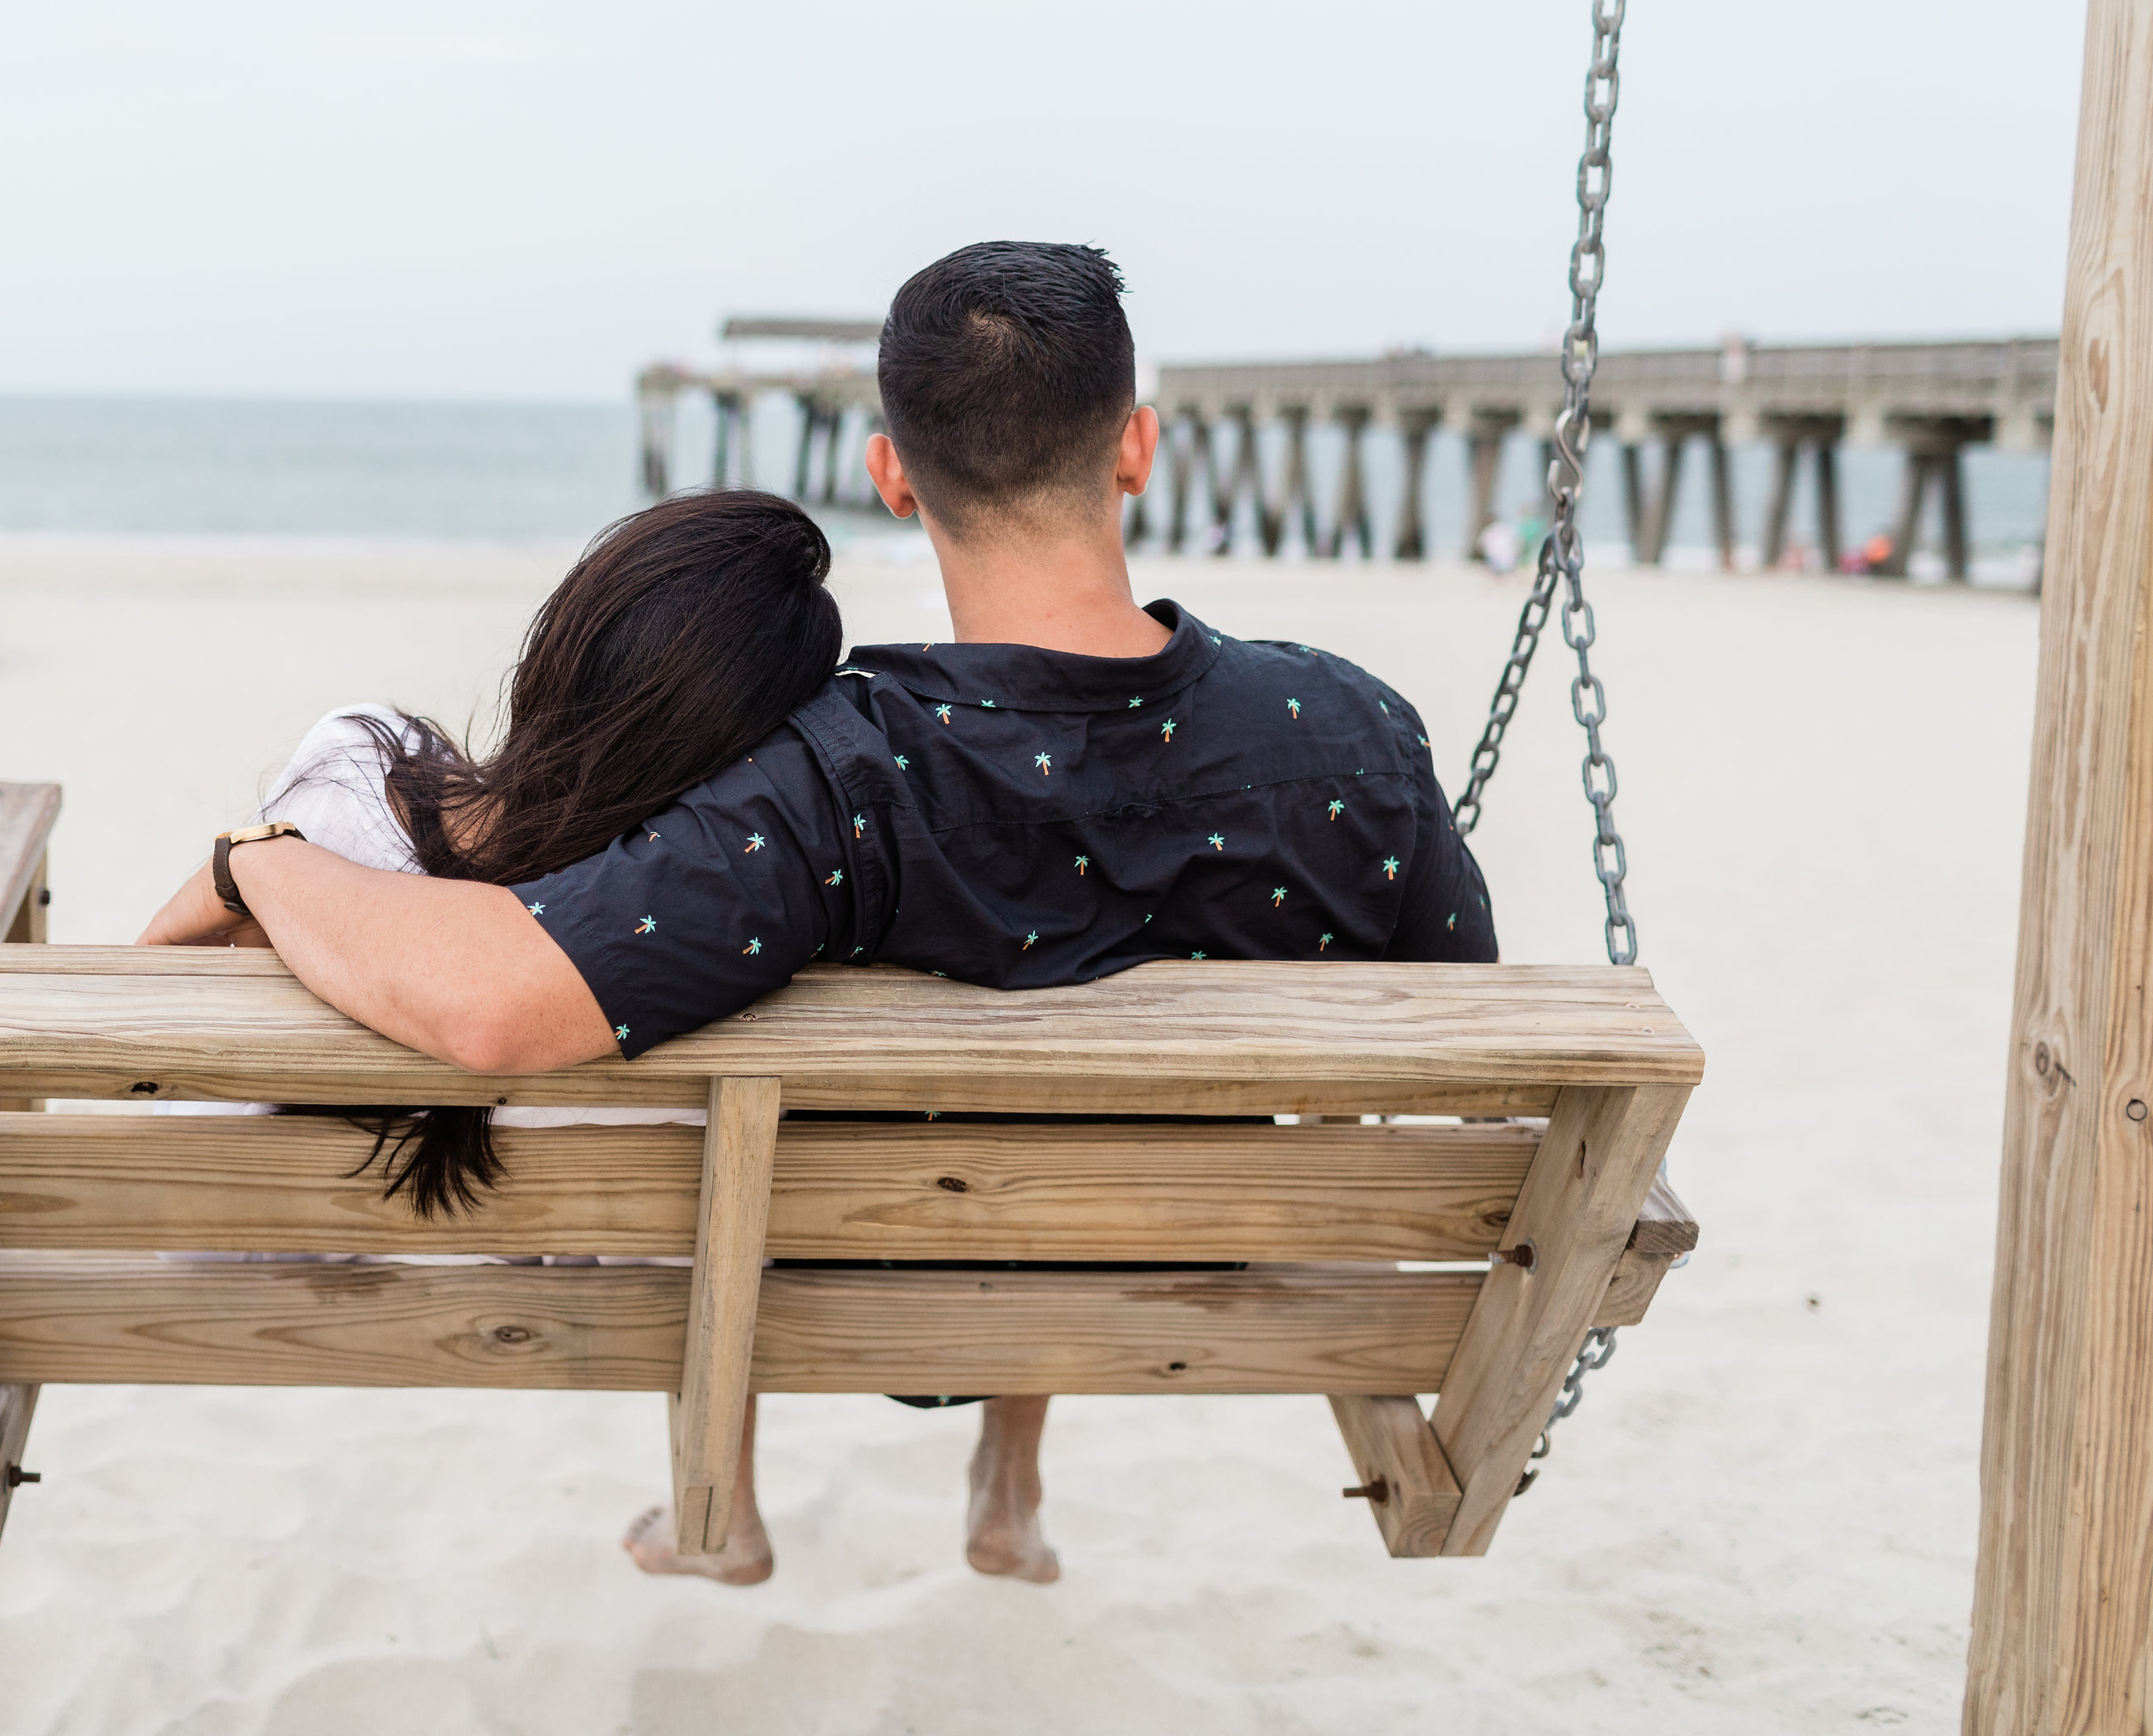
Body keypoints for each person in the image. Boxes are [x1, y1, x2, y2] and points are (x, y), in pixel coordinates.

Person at [146, 239, 1494, 1587]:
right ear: (1136, 448)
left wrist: (257, 860)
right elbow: (1476, 1059)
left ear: (892, 474)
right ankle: (1010, 1479)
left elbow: (498, 1005)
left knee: (734, 1028)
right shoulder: (1352, 738)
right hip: (1169, 1276)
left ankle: (716, 1501)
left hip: (875, 1286)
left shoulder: (836, 783)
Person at [145, 487, 843, 1213]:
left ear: (565, 638)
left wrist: (249, 862)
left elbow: (184, 1131)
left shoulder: (350, 773)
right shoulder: (694, 975)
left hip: (225, 1291)